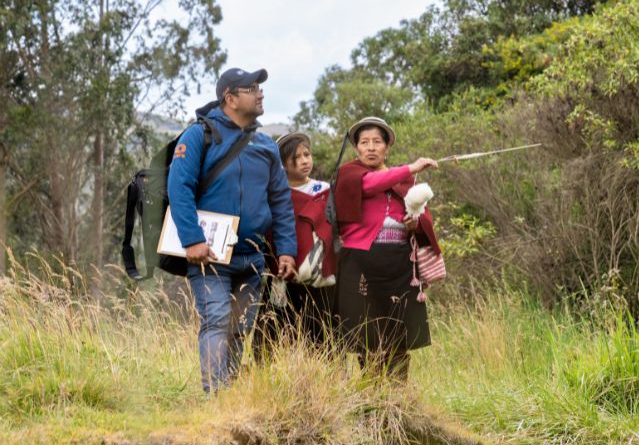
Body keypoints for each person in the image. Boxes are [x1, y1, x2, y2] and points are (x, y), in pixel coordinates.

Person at [168, 67, 297, 393]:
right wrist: (192, 240)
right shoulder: (198, 136)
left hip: (252, 255)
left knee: (240, 327)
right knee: (216, 320)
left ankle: (229, 394)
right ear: (230, 98)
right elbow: (179, 188)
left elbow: (280, 200)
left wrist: (286, 250)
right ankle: (216, 397)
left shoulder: (266, 145)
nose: (260, 93)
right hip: (209, 254)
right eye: (252, 88)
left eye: (260, 88)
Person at [332, 116, 440, 379]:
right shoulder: (350, 174)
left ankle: (397, 392)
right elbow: (371, 184)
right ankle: (371, 389)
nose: (370, 148)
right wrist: (411, 167)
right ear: (356, 148)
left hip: (398, 262)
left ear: (387, 147)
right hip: (360, 261)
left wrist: (414, 223)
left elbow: (423, 217)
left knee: (398, 329)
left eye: (377, 142)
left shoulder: (404, 182)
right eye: (364, 142)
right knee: (366, 329)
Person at [254, 131, 336, 352]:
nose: (304, 161)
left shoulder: (324, 190)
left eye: (306, 155)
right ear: (283, 164)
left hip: (317, 276)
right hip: (282, 274)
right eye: (296, 158)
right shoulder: (275, 194)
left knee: (321, 331)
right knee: (274, 330)